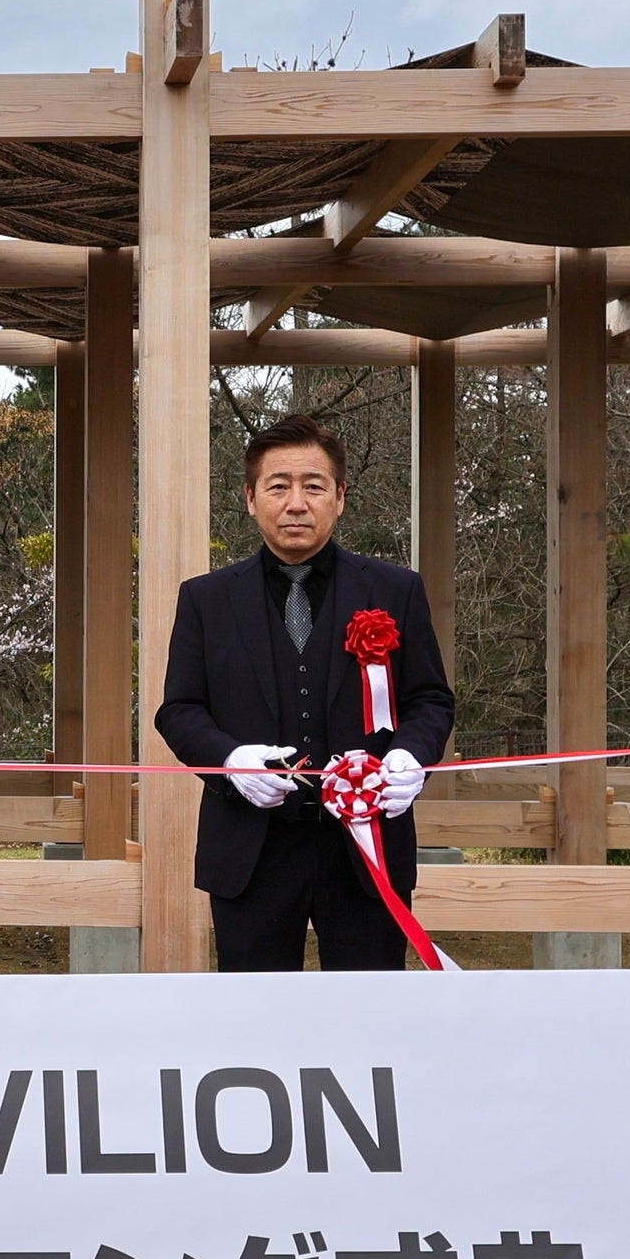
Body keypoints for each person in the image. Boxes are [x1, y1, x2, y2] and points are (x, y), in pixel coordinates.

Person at [153, 415, 455, 971]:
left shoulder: (395, 590)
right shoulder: (206, 599)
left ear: (340, 497)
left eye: (314, 486)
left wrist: (411, 757)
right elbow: (179, 710)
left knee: (371, 1007)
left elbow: (431, 699)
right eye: (278, 486)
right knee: (257, 1010)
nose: (296, 503)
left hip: (367, 843)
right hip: (251, 849)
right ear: (250, 498)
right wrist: (230, 761)